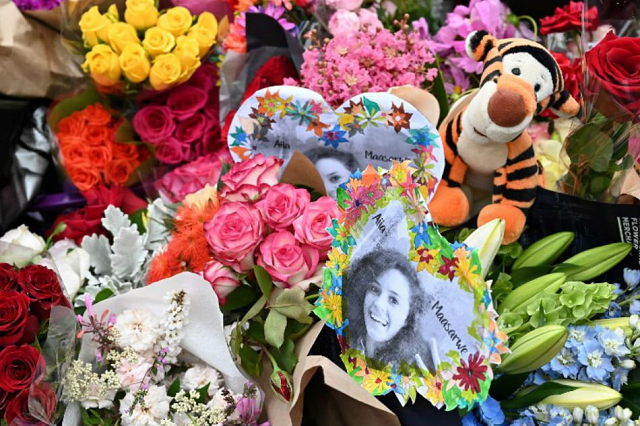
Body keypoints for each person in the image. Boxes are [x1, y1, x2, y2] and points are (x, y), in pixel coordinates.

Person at [345, 250, 436, 371]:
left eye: (393, 300)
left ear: (408, 319)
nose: (378, 304)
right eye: (374, 289)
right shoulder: (343, 333)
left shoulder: (410, 375)